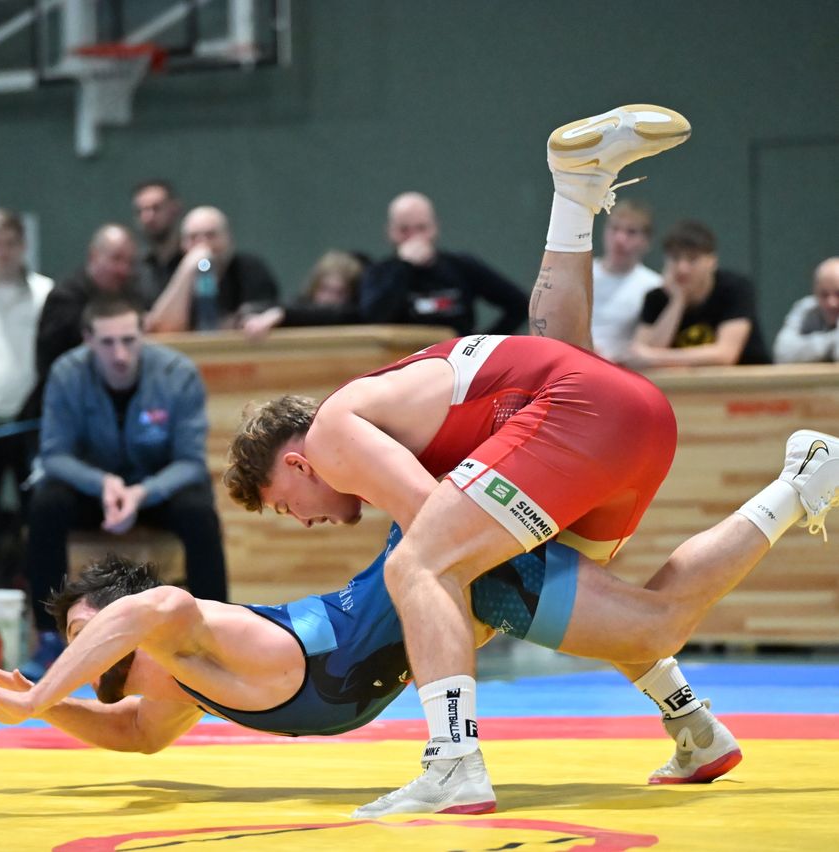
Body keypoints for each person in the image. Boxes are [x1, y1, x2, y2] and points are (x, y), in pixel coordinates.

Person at [220, 104, 816, 817]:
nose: (304, 521)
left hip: (583, 413)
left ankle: (453, 765)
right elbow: (558, 349)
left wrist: (441, 638)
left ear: (294, 462)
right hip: (631, 413)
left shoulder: (332, 434)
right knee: (634, 618)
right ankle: (703, 709)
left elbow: (428, 531)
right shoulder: (407, 403)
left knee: (421, 563)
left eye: (288, 506)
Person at [0, 425, 837, 797]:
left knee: (651, 621)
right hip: (421, 603)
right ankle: (696, 729)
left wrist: (30, 701)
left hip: (429, 578)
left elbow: (152, 607)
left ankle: (796, 489)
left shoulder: (185, 623)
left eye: (90, 633)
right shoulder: (184, 679)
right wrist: (25, 700)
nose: (90, 655)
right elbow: (135, 733)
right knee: (617, 621)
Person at [21, 296, 228, 681]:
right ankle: (49, 637)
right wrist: (104, 484)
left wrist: (141, 493)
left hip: (154, 492)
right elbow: (54, 455)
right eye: (107, 342)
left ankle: (213, 632)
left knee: (199, 510)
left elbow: (190, 461)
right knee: (45, 504)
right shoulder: (66, 374)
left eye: (129, 340)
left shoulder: (177, 373)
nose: (120, 354)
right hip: (93, 490)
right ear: (87, 339)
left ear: (143, 334)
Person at [0, 209, 54, 585]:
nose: (4, 251)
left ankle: (39, 610)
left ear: (23, 245)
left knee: (37, 515)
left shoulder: (45, 291)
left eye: (11, 243)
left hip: (31, 420)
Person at [359, 192, 527, 335]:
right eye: (404, 230)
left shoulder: (461, 266)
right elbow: (373, 317)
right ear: (390, 232)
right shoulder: (379, 273)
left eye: (421, 228)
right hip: (404, 365)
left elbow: (519, 304)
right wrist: (404, 267)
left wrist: (484, 346)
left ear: (435, 228)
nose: (414, 237)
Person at [28, 223, 145, 418]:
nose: (123, 269)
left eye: (130, 262)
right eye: (116, 259)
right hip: (65, 409)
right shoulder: (64, 298)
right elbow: (51, 367)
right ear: (93, 256)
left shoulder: (130, 293)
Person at [625, 220, 770, 368]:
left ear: (712, 261)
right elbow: (641, 356)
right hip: (684, 388)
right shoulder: (655, 298)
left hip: (746, 385)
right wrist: (677, 302)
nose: (682, 268)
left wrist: (656, 358)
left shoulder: (735, 289)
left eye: (692, 259)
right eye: (675, 258)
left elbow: (725, 355)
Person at [144, 206, 280, 333]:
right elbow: (162, 328)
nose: (202, 243)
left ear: (229, 238)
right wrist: (187, 270)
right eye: (193, 237)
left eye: (211, 235)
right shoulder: (171, 271)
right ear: (183, 244)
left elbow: (264, 313)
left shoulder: (248, 268)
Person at [590, 199, 662, 362]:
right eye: (614, 228)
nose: (620, 239)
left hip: (622, 373)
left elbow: (650, 345)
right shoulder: (580, 274)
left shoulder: (654, 287)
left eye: (631, 232)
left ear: (647, 241)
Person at [242, 250, 366, 337]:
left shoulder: (353, 313)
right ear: (315, 286)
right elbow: (255, 308)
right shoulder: (301, 304)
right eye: (325, 289)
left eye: (339, 293)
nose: (329, 298)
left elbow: (336, 314)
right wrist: (251, 315)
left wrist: (282, 314)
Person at [773, 257, 839, 363]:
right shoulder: (808, 308)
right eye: (824, 294)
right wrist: (832, 341)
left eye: (838, 294)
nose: (831, 302)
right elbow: (782, 353)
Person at [131, 179, 184, 302]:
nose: (148, 217)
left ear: (175, 209)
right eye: (141, 211)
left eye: (156, 208)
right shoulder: (134, 269)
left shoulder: (198, 261)